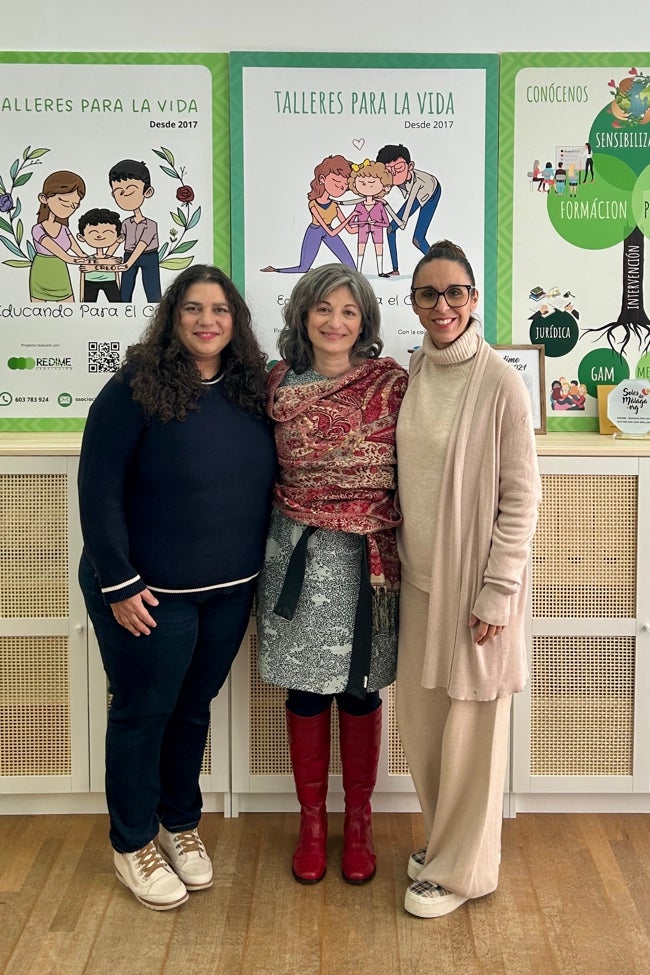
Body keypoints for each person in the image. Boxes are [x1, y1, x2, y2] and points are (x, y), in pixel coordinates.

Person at [77, 264, 276, 911]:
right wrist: (119, 582)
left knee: (192, 708)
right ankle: (132, 840)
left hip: (228, 590)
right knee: (143, 711)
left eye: (219, 309)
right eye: (193, 308)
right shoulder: (135, 386)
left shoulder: (252, 388)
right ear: (172, 316)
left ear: (235, 320)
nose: (207, 320)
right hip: (145, 593)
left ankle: (179, 822)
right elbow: (97, 487)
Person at [395, 240, 541, 918]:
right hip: (420, 584)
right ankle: (442, 843)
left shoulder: (500, 382)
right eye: (429, 293)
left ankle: (463, 872)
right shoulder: (414, 371)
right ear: (415, 302)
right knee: (426, 730)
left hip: (478, 592)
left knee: (475, 736)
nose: (443, 305)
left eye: (456, 292)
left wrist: (498, 590)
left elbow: (522, 496)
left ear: (474, 298)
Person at [256, 264, 407, 886]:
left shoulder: (392, 384)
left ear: (365, 321)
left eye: (349, 311)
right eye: (323, 309)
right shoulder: (275, 384)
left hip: (372, 557)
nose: (335, 322)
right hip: (297, 553)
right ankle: (313, 824)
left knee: (362, 688)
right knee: (308, 690)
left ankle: (362, 821)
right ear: (303, 315)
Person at [261, 154, 357, 273]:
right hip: (315, 231)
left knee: (352, 268)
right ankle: (275, 269)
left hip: (328, 231)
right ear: (322, 179)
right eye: (337, 183)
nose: (340, 188)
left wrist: (367, 223)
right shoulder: (313, 204)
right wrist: (351, 217)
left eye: (344, 186)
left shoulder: (335, 205)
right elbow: (331, 232)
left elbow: (351, 230)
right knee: (304, 268)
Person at [375, 143, 441, 277]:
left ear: (410, 166)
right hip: (418, 191)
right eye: (388, 171)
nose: (394, 174)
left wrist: (386, 205)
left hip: (430, 191)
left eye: (398, 168)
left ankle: (440, 268)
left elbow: (402, 223)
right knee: (390, 229)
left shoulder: (417, 184)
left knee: (418, 239)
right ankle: (395, 269)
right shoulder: (390, 179)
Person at [29, 170, 88, 302]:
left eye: (74, 206)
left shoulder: (64, 229)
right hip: (42, 271)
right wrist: (72, 259)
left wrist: (86, 258)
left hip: (60, 271)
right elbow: (55, 249)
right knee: (37, 312)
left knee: (68, 305)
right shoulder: (38, 229)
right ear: (44, 199)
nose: (68, 208)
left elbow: (78, 250)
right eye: (63, 201)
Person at [109, 159, 162, 301]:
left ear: (148, 191)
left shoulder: (151, 225)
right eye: (119, 192)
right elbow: (118, 241)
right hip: (128, 254)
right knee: (125, 292)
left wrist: (127, 264)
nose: (125, 195)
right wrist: (106, 257)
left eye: (131, 191)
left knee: (153, 291)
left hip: (149, 257)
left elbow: (142, 245)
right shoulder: (126, 223)